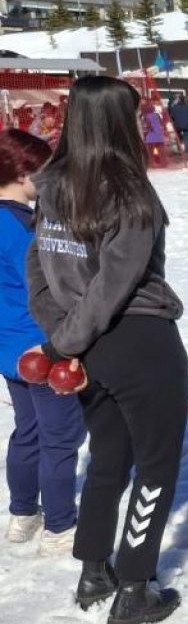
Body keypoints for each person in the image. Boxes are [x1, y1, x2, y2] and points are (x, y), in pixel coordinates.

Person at [28, 75, 188, 624]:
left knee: (109, 454)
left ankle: (94, 567)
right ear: (120, 123)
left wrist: (64, 337)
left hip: (86, 347)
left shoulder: (51, 186)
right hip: (136, 338)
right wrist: (65, 337)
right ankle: (135, 585)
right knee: (156, 464)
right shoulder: (129, 193)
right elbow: (114, 283)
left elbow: (40, 272)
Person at [0, 130, 86, 559]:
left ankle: (22, 513)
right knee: (59, 436)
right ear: (24, 173)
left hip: (8, 347)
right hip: (39, 347)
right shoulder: (20, 227)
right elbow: (46, 284)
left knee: (28, 429)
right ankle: (58, 524)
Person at [141, 103, 167, 169]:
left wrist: (146, 131)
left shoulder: (146, 116)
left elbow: (147, 126)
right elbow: (161, 122)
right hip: (159, 134)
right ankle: (164, 164)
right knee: (161, 151)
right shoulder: (157, 115)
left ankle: (151, 165)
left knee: (150, 152)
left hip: (151, 135)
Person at [167, 95, 188, 160]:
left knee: (178, 137)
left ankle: (179, 148)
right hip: (186, 125)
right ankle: (186, 150)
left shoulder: (175, 107)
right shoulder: (187, 107)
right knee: (186, 138)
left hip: (178, 125)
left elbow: (172, 116)